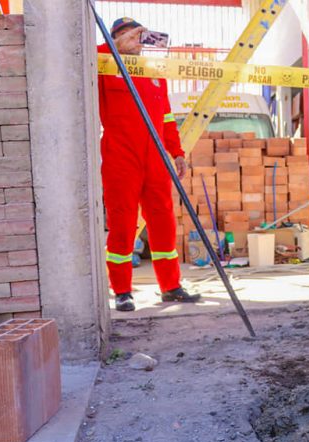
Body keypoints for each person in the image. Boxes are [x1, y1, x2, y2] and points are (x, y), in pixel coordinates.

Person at [98, 17, 200, 311]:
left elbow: (166, 117)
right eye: (125, 36)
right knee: (123, 222)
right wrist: (113, 47)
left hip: (155, 157)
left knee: (163, 222)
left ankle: (170, 286)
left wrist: (177, 151)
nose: (133, 41)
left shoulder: (155, 73)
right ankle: (121, 291)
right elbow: (82, 61)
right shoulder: (105, 65)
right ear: (116, 39)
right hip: (121, 156)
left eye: (137, 35)